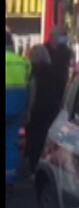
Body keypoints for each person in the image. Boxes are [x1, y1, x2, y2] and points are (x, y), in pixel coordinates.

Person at [24, 26, 74, 173]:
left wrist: (28, 108)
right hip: (51, 105)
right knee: (42, 136)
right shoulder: (51, 63)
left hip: (44, 107)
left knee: (36, 136)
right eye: (61, 35)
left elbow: (33, 89)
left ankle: (34, 163)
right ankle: (39, 162)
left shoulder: (65, 52)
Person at [6, 28, 32, 187]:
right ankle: (9, 180)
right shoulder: (23, 62)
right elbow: (31, 87)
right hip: (16, 109)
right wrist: (27, 109)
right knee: (11, 144)